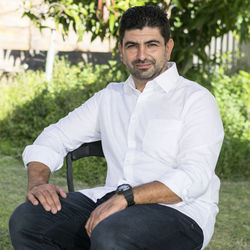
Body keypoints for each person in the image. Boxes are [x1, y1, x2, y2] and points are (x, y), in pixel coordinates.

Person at [9, 5, 224, 250]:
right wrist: (38, 184)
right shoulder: (109, 97)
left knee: (112, 234)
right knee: (28, 219)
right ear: (121, 50)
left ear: (168, 47)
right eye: (132, 46)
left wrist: (127, 198)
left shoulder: (195, 99)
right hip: (112, 202)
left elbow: (194, 177)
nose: (142, 55)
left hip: (180, 212)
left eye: (151, 44)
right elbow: (54, 136)